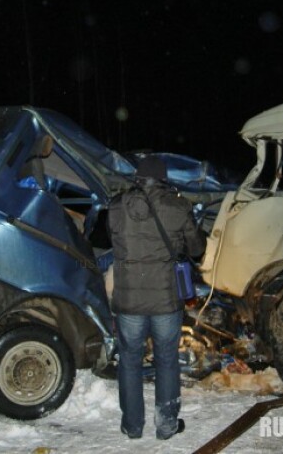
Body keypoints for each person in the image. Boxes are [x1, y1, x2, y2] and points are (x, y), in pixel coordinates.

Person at [108, 156, 206, 440]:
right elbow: (197, 248)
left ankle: (132, 426)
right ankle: (166, 426)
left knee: (129, 360)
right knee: (166, 360)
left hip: (128, 301)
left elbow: (110, 238)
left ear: (138, 178)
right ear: (164, 179)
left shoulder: (116, 207)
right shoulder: (177, 207)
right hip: (165, 301)